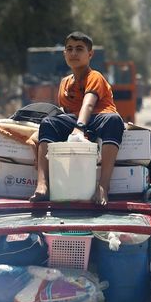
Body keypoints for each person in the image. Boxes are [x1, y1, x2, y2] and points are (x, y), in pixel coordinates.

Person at [30, 32, 123, 205]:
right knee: (49, 123)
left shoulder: (95, 76)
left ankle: (103, 186)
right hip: (74, 119)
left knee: (114, 120)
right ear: (64, 54)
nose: (73, 53)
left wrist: (79, 128)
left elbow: (88, 104)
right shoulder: (64, 82)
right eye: (69, 49)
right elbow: (64, 111)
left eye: (79, 49)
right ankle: (42, 184)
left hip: (99, 118)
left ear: (90, 54)